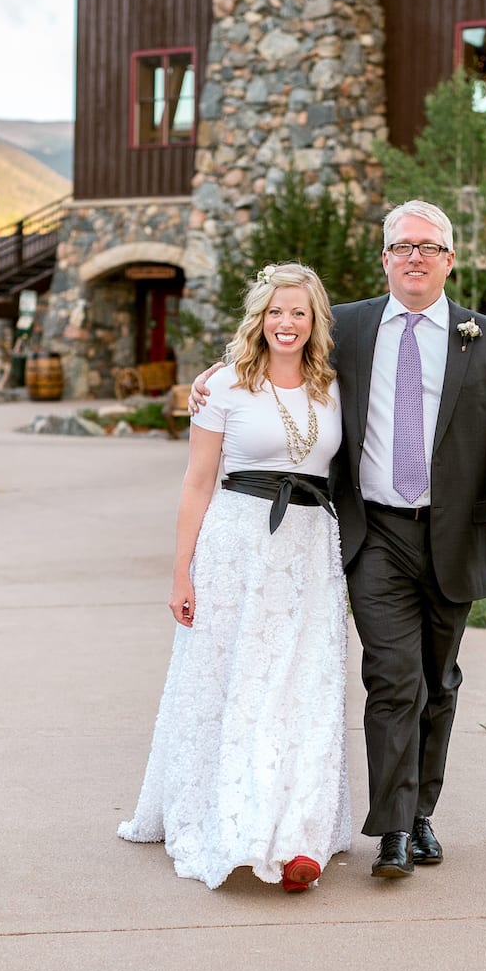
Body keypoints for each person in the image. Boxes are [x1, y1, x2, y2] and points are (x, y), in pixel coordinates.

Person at [193, 200, 486, 879]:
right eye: (402, 246)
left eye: (429, 246)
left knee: (438, 681)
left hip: (454, 535)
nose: (415, 256)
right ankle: (391, 832)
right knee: (393, 677)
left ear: (450, 259)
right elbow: (277, 351)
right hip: (374, 532)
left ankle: (420, 814)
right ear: (384, 259)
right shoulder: (348, 327)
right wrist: (211, 381)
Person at [118, 262, 351, 893]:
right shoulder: (224, 385)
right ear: (259, 317)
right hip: (236, 547)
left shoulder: (332, 384)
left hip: (308, 551)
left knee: (302, 684)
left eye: (298, 312)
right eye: (276, 311)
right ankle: (238, 824)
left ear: (315, 320)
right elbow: (197, 482)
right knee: (234, 682)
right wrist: (181, 573)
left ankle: (299, 833)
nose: (286, 322)